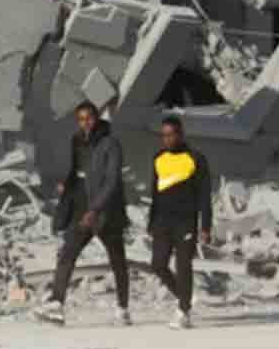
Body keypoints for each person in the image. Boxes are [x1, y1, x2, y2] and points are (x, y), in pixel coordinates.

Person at [39, 100, 130, 326]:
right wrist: (66, 184)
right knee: (68, 252)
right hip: (80, 205)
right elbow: (76, 170)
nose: (85, 123)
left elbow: (112, 180)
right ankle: (57, 304)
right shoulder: (77, 140)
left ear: (97, 118)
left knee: (117, 259)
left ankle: (123, 307)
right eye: (81, 119)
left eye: (89, 118)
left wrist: (96, 208)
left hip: (105, 209)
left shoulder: (111, 144)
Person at [148, 116, 212, 330]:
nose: (167, 139)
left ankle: (183, 311)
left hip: (185, 222)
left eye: (171, 134)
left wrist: (205, 226)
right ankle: (184, 296)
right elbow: (154, 193)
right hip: (162, 223)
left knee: (183, 266)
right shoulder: (158, 157)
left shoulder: (196, 158)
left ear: (181, 134)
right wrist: (151, 222)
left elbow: (204, 195)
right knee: (158, 265)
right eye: (164, 135)